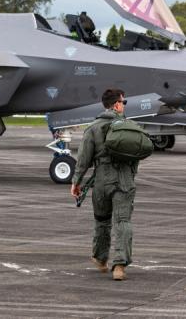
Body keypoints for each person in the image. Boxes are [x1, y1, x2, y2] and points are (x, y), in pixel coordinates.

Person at [70, 88, 137, 281]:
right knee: (122, 221)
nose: (124, 106)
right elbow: (137, 155)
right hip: (124, 180)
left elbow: (83, 159)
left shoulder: (92, 128)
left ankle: (100, 259)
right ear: (116, 104)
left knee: (102, 220)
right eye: (123, 103)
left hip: (101, 180)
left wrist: (76, 182)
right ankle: (119, 265)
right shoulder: (129, 126)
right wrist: (130, 175)